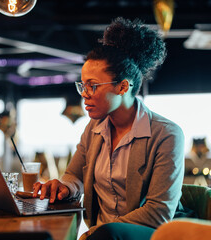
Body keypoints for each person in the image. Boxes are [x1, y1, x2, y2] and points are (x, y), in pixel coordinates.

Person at [33, 17, 185, 240]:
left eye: (92, 86)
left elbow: (158, 213)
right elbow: (74, 175)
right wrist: (64, 187)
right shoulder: (94, 128)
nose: (84, 94)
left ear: (123, 86)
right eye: (83, 85)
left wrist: (95, 232)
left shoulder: (166, 134)